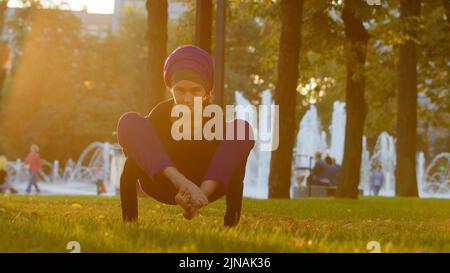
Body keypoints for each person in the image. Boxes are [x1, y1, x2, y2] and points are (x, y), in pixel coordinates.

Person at [117, 45, 255, 227]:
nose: (187, 99)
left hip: (207, 188)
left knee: (241, 130)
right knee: (130, 122)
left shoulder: (216, 118)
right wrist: (182, 182)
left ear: (207, 92)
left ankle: (229, 223)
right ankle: (130, 223)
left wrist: (199, 195)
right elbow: (134, 142)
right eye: (180, 90)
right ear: (170, 89)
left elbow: (231, 156)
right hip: (163, 186)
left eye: (196, 90)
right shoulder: (159, 115)